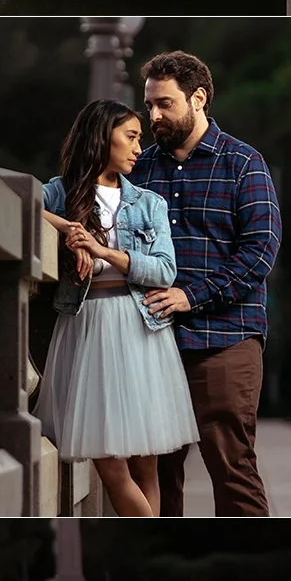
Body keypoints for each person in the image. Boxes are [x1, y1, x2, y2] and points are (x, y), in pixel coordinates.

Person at [130, 50, 281, 516]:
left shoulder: (243, 163)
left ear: (198, 99)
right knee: (154, 478)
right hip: (151, 342)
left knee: (232, 469)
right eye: (149, 104)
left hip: (225, 341)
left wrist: (189, 295)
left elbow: (260, 251)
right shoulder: (140, 168)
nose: (153, 115)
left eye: (165, 104)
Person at [35, 99, 198, 516]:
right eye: (130, 137)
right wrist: (68, 227)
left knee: (147, 465)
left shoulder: (148, 202)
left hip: (140, 327)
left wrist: (102, 249)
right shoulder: (60, 191)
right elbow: (18, 202)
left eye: (139, 139)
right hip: (88, 326)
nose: (138, 148)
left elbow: (164, 270)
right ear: (100, 136)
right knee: (110, 462)